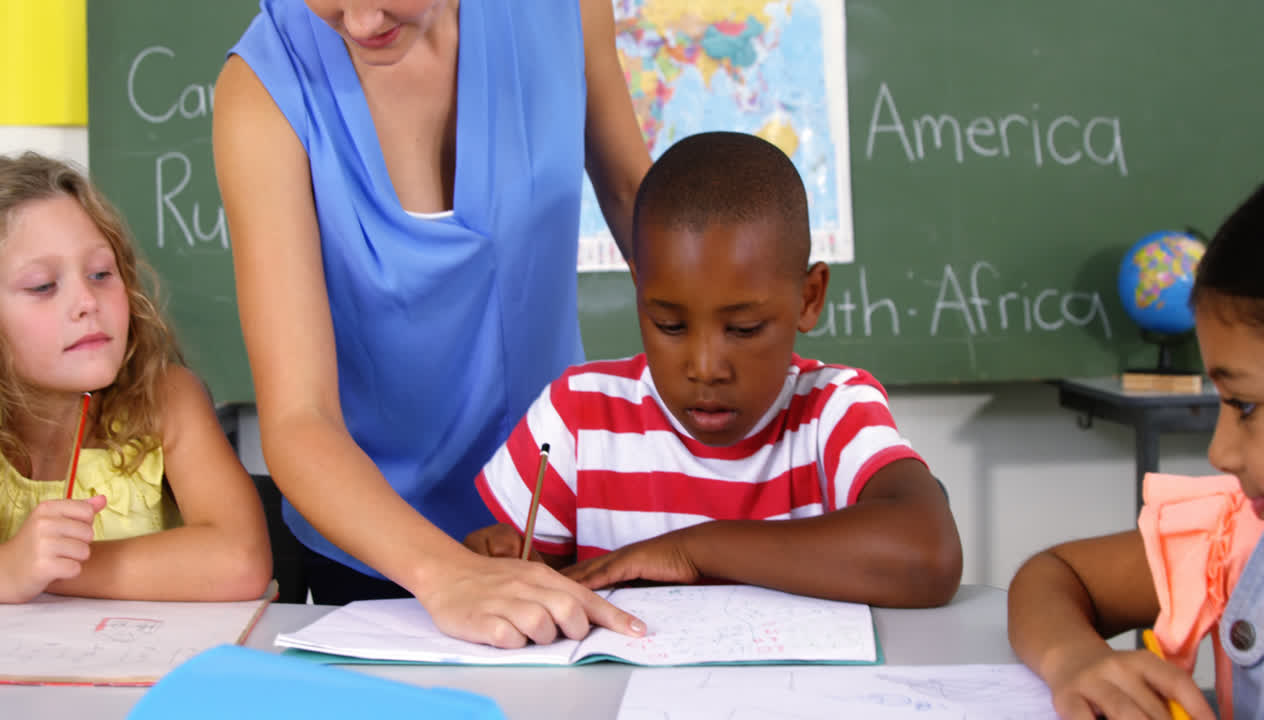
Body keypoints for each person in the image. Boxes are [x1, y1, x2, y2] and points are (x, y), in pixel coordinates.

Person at [212, 0, 652, 646]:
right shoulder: (263, 93)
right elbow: (299, 418)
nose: (361, 22)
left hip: (562, 520)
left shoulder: (565, 11)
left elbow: (641, 212)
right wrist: (446, 574)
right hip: (376, 559)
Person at [465, 132, 963, 607]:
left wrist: (692, 550)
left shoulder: (833, 412)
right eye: (669, 324)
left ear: (809, 298)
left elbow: (929, 555)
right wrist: (500, 563)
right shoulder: (578, 416)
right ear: (638, 290)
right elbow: (525, 579)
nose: (705, 369)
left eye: (744, 329)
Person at [1008, 183, 1264, 720]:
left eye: (1243, 405)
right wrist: (1072, 657)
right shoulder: (1234, 537)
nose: (1220, 452)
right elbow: (1054, 575)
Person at [0, 152, 273, 604]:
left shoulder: (165, 398)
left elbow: (240, 562)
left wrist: (43, 568)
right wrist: (7, 567)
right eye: (42, 285)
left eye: (101, 274)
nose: (87, 301)